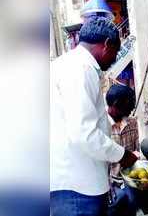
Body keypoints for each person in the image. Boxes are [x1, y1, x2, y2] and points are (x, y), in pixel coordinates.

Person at [50, 17, 139, 216]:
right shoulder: (82, 69)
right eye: (116, 52)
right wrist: (123, 155)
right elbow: (84, 133)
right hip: (77, 187)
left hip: (70, 180)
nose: (115, 58)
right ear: (107, 45)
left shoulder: (63, 64)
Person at [105, 84, 139, 216]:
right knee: (117, 202)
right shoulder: (102, 127)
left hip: (129, 177)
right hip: (108, 180)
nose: (132, 108)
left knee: (132, 201)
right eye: (129, 104)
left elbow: (136, 150)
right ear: (115, 105)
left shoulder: (132, 123)